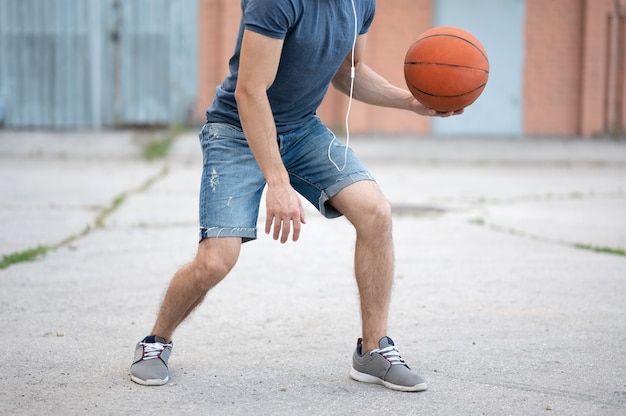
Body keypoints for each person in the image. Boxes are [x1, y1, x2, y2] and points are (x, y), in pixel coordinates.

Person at [130, 0, 462, 392]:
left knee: (376, 213)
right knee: (216, 261)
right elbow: (250, 92)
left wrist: (408, 101)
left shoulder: (360, 4)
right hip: (237, 132)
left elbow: (347, 72)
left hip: (302, 130)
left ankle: (372, 350)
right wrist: (277, 180)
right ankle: (155, 341)